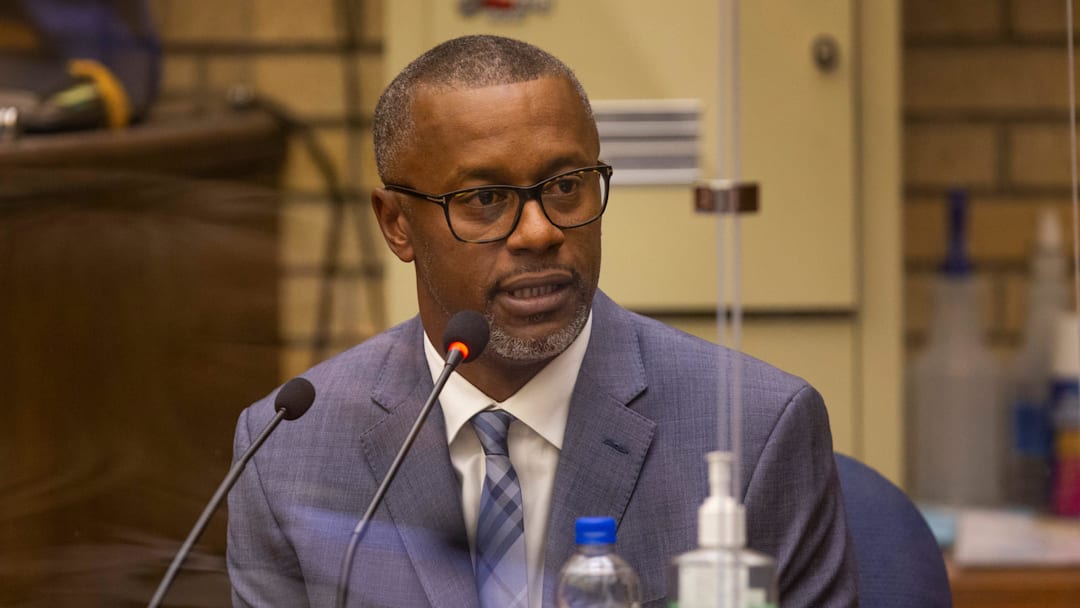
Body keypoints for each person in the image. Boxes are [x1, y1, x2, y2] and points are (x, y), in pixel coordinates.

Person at [227, 34, 858, 607]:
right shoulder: (287, 449)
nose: (540, 231)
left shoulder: (755, 429)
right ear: (396, 224)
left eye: (566, 187)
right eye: (483, 199)